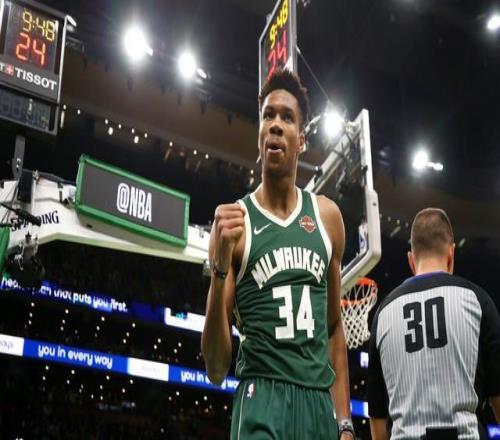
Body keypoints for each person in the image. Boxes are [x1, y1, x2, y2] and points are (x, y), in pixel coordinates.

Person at [201, 69, 355, 439]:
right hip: (262, 398)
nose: (274, 124)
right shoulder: (235, 224)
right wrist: (218, 271)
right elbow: (216, 369)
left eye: (287, 117)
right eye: (267, 116)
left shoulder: (327, 218)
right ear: (259, 134)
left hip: (318, 404)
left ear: (301, 140)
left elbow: (334, 329)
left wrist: (345, 423)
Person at [368, 208, 500, 440]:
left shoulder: (383, 313)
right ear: (451, 254)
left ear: (411, 260)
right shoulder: (478, 301)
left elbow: (377, 421)